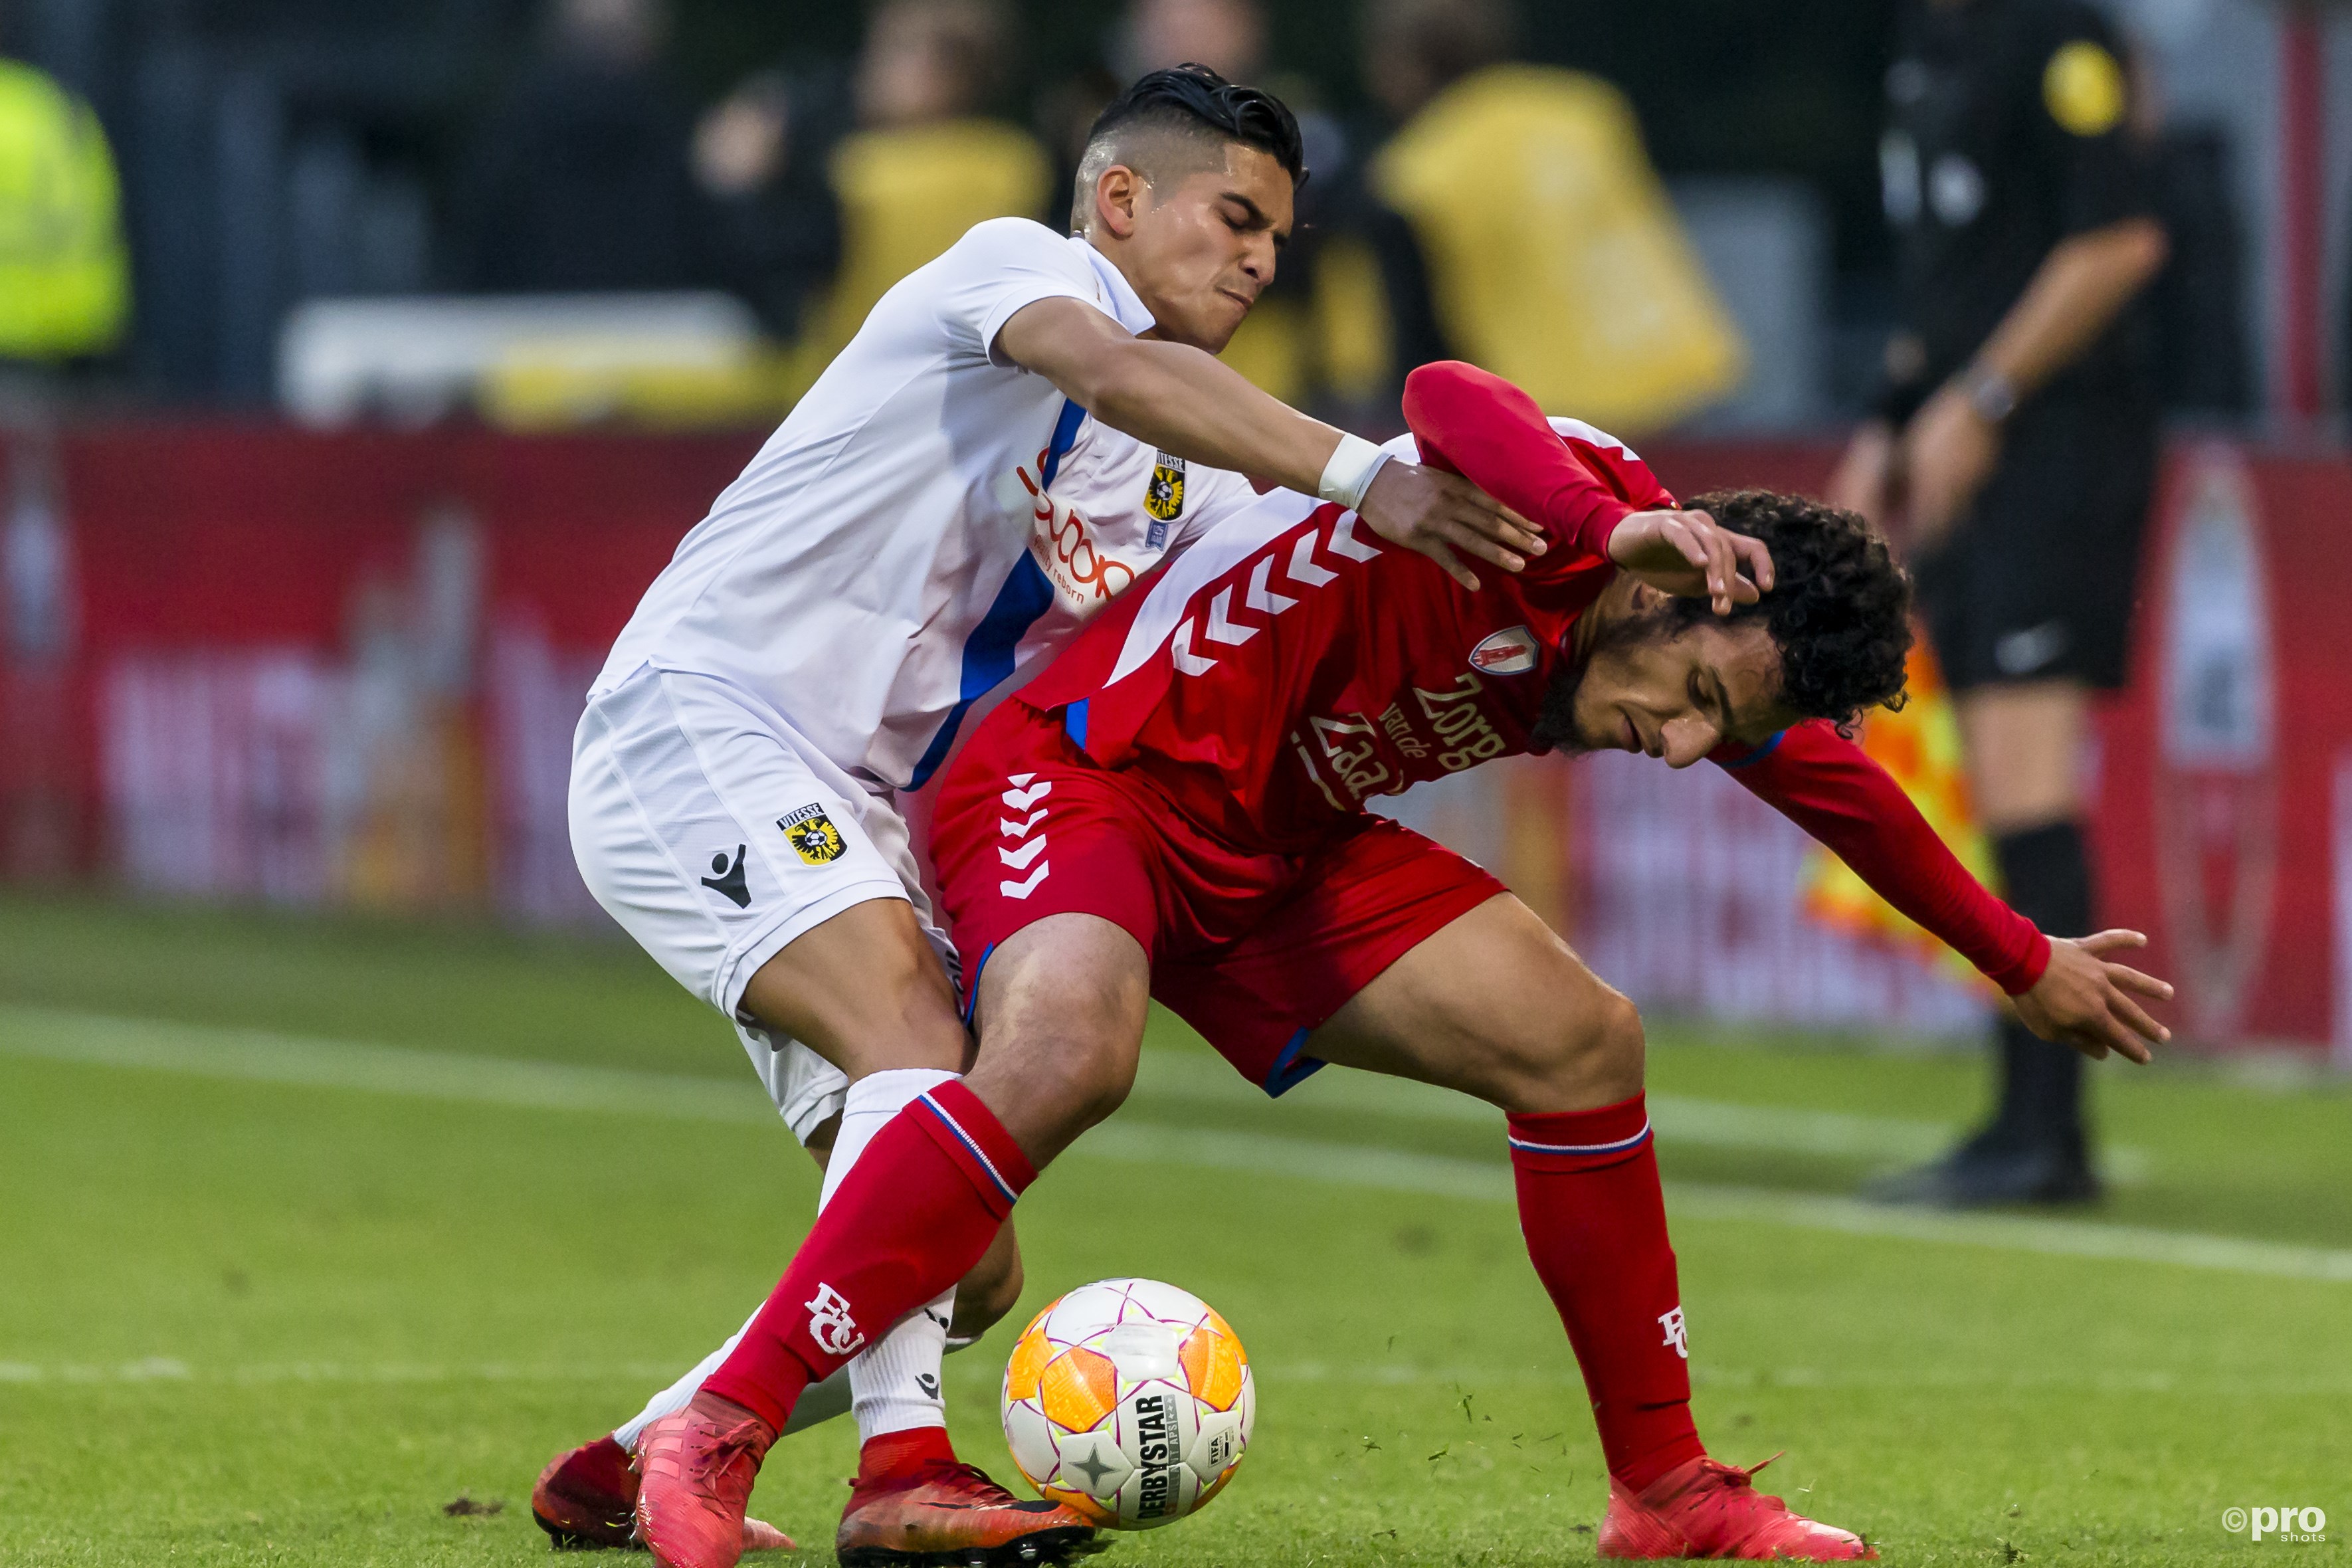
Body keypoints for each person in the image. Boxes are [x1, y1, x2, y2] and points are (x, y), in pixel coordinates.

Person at [629, 360, 2171, 1567]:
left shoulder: (1692, 660)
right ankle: (722, 1424)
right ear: (1657, 588)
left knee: (1583, 1041)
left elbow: (1830, 782)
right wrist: (1590, 522)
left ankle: (1668, 1491)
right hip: (1097, 770)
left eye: (1724, 732)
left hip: (1282, 843)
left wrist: (2022, 959)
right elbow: (1447, 396)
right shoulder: (1555, 506)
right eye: (1694, 693)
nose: (1683, 745)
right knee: (1067, 1056)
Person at [537, 65, 1533, 1563]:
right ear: (1120, 200)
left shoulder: (1179, 477)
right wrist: (1359, 466)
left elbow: (1318, 544)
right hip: (707, 719)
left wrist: (1574, 539)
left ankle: (633, 1457)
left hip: (857, 805)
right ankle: (902, 1472)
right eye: (1235, 216)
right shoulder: (1020, 268)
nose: (1263, 259)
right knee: (918, 1047)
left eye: (1281, 236)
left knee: (966, 1256)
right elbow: (1134, 380)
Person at [1828, 0, 2168, 1208]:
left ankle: (2048, 1133)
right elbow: (1954, 285)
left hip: (2060, 446)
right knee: (1995, 774)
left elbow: (2118, 244)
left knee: (2029, 774)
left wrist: (1980, 400)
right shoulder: (1929, 47)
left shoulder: (2053, 35)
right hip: (1978, 447)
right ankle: (2021, 1121)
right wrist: (1889, 422)